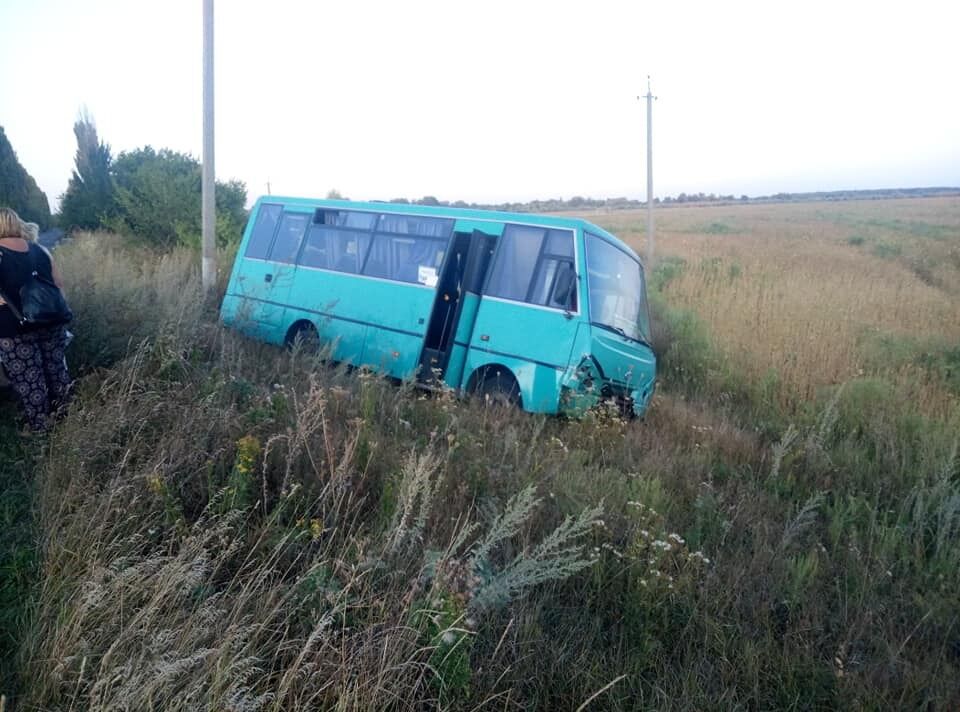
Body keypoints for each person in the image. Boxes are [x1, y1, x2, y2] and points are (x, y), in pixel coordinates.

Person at [0, 207, 73, 431]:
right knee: (57, 373)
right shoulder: (40, 249)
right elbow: (58, 284)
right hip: (52, 322)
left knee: (31, 381)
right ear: (17, 224)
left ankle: (42, 431)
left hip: (14, 329)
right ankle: (68, 422)